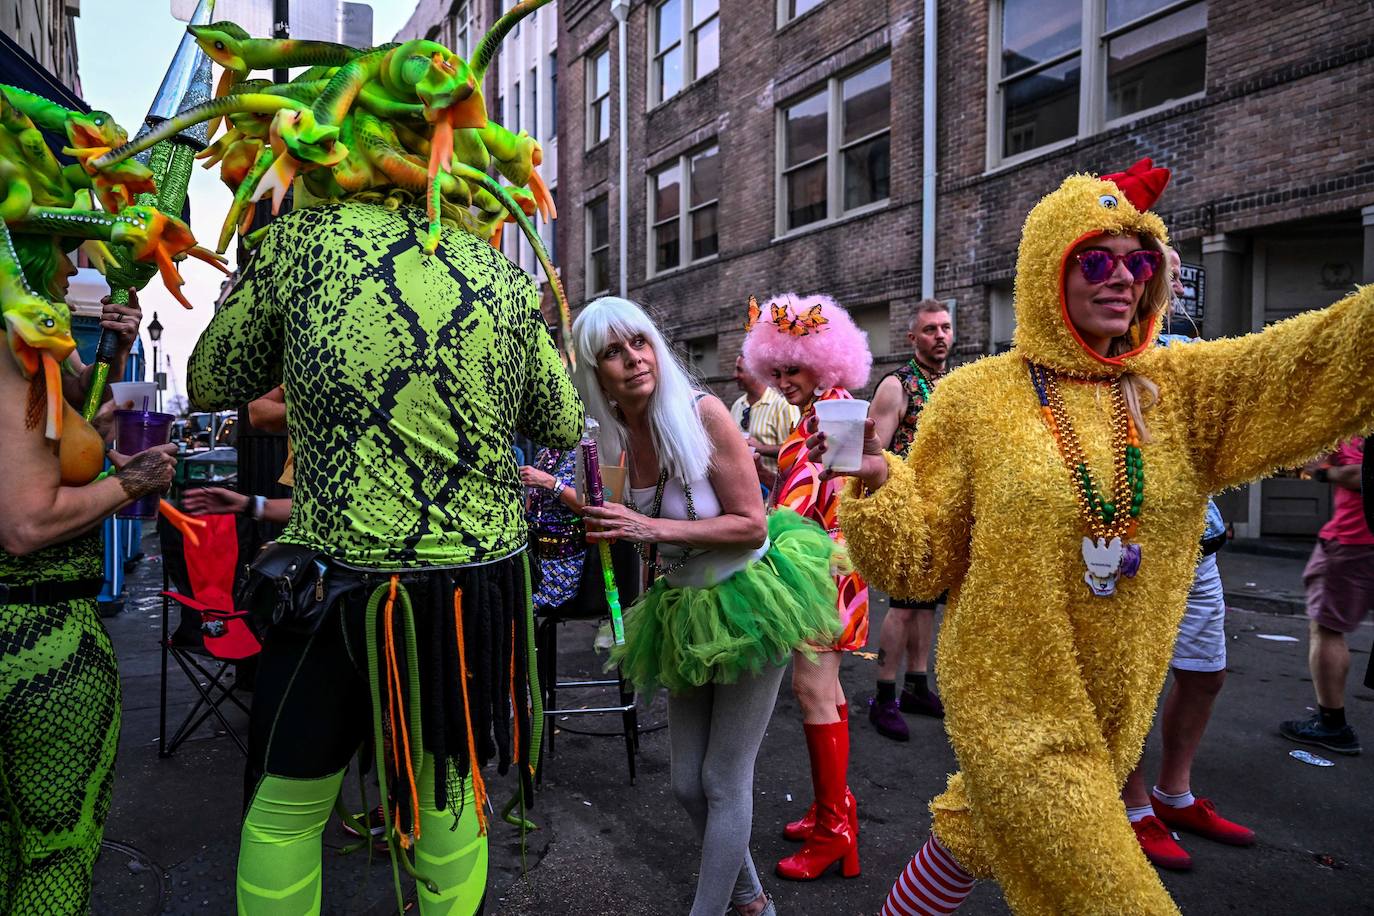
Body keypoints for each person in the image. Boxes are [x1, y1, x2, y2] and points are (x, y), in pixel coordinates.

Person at [810, 160, 1374, 915]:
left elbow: (1317, 361)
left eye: (1139, 262)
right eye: (1096, 261)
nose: (1123, 280)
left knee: (970, 833)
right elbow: (920, 561)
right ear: (1049, 270)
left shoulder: (1183, 390)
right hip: (1011, 706)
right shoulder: (977, 397)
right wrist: (880, 486)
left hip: (1113, 713)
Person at [187, 202, 582, 913]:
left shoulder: (298, 240)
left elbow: (212, 378)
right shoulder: (500, 271)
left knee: (286, 810)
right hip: (464, 585)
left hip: (334, 577)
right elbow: (558, 419)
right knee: (448, 793)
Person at [573, 296, 841, 916]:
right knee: (684, 782)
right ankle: (751, 898)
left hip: (752, 602)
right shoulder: (613, 437)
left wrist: (652, 531)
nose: (633, 359)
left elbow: (751, 526)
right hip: (683, 608)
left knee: (723, 780)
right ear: (596, 371)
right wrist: (579, 506)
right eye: (613, 352)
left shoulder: (704, 413)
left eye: (638, 341)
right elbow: (621, 521)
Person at [0, 251, 177, 912]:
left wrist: (112, 352)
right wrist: (129, 481)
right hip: (37, 644)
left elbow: (52, 426)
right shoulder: (13, 337)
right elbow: (26, 522)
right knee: (56, 856)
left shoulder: (33, 342)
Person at [1121, 248, 1254, 872]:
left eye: (1172, 268)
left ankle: (1176, 793)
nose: (1167, 277)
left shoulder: (1189, 352)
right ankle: (1134, 804)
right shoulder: (1102, 354)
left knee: (1206, 672)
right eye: (1156, 267)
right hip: (1131, 555)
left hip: (1198, 548)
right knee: (1133, 687)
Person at [741, 292, 871, 881]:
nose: (784, 379)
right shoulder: (819, 412)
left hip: (824, 573)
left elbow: (834, 500)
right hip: (823, 568)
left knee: (812, 691)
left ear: (823, 361)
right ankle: (835, 811)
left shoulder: (834, 413)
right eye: (778, 368)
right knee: (828, 692)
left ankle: (834, 831)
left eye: (794, 368)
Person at [865, 300, 953, 741]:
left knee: (925, 604)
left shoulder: (953, 384)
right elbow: (872, 453)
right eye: (930, 329)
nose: (940, 335)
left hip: (943, 515)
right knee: (903, 604)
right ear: (912, 338)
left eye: (945, 327)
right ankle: (883, 694)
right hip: (906, 514)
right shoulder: (897, 386)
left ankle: (917, 684)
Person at [1279, 436, 1372, 756]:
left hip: (1353, 541)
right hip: (1357, 540)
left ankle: (1332, 724)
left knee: (1327, 627)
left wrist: (1322, 472)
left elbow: (1361, 474)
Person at [520, 446, 586, 613]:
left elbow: (592, 506)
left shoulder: (586, 451)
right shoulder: (544, 453)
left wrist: (550, 482)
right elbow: (530, 505)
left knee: (518, 607)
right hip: (536, 559)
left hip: (565, 564)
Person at [729, 354, 800, 490]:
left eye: (739, 370)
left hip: (775, 493)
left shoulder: (783, 405)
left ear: (756, 373)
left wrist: (760, 448)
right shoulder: (737, 405)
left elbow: (796, 450)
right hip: (743, 492)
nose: (734, 375)